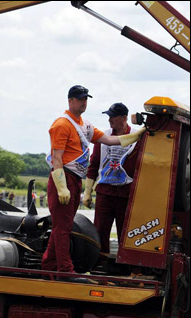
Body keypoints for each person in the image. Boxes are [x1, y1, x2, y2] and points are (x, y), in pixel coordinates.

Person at [42, 85, 145, 282]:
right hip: (64, 177)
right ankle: (64, 270)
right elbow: (57, 158)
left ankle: (49, 264)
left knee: (62, 226)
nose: (83, 102)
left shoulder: (85, 125)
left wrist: (138, 135)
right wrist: (62, 187)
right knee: (63, 228)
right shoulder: (62, 124)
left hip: (74, 179)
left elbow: (109, 140)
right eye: (79, 99)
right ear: (70, 100)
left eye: (85, 99)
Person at [83, 103, 140, 254]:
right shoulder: (103, 136)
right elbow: (93, 165)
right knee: (100, 231)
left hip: (126, 193)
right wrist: (87, 192)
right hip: (105, 192)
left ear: (124, 117)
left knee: (126, 232)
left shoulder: (137, 138)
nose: (110, 120)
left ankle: (125, 265)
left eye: (113, 116)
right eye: (109, 116)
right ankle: (99, 263)